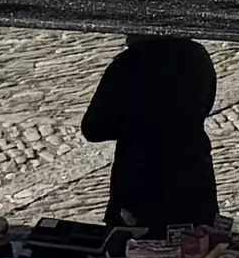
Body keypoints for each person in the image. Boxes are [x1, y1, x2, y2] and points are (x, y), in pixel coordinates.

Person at [80, 33, 224, 236]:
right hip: (193, 175)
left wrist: (136, 122)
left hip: (142, 182)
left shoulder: (129, 63)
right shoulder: (197, 55)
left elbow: (94, 127)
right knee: (195, 246)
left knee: (136, 252)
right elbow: (205, 106)